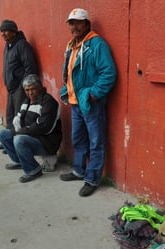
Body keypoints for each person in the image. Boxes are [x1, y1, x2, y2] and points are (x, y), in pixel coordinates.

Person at [59, 8, 117, 197]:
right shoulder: (72, 45)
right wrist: (66, 90)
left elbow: (109, 73)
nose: (74, 26)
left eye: (78, 22)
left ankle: (92, 178)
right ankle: (79, 170)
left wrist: (92, 94)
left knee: (95, 141)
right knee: (78, 139)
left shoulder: (97, 44)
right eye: (71, 23)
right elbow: (69, 73)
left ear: (87, 24)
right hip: (76, 103)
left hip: (91, 103)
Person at [0, 74, 62, 183]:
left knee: (19, 140)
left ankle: (33, 170)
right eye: (27, 90)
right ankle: (19, 161)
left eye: (33, 89)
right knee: (3, 134)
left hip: (47, 143)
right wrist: (16, 130)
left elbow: (44, 128)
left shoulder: (49, 102)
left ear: (40, 87)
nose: (30, 93)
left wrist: (20, 132)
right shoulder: (26, 101)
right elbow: (19, 117)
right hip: (31, 136)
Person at [0, 20, 39, 152]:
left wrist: (23, 86)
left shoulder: (22, 45)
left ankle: (16, 142)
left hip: (20, 88)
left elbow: (30, 67)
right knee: (10, 115)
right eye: (1, 31)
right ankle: (8, 140)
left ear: (14, 31)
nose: (3, 33)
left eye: (5, 30)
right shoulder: (8, 46)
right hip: (11, 88)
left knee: (18, 117)